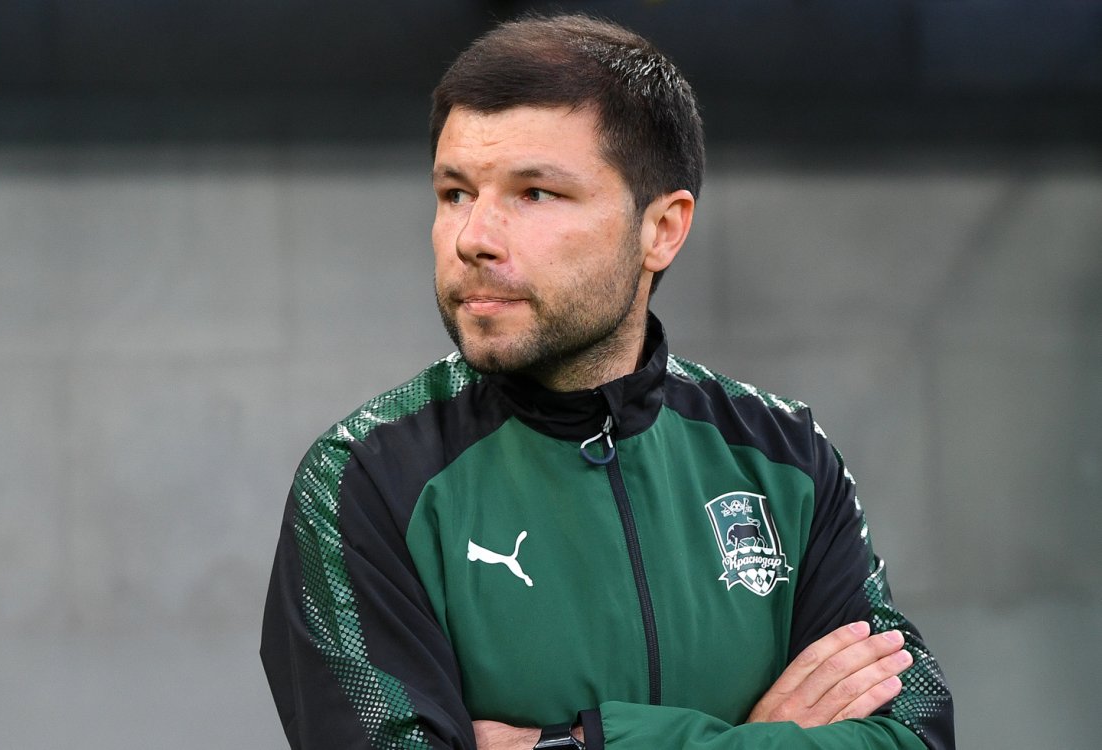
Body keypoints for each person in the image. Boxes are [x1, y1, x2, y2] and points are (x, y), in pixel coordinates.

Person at [260, 14, 953, 750]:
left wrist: (582, 744)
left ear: (662, 229)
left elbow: (914, 736)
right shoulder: (365, 478)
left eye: (535, 193)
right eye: (456, 192)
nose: (473, 238)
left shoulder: (784, 455)